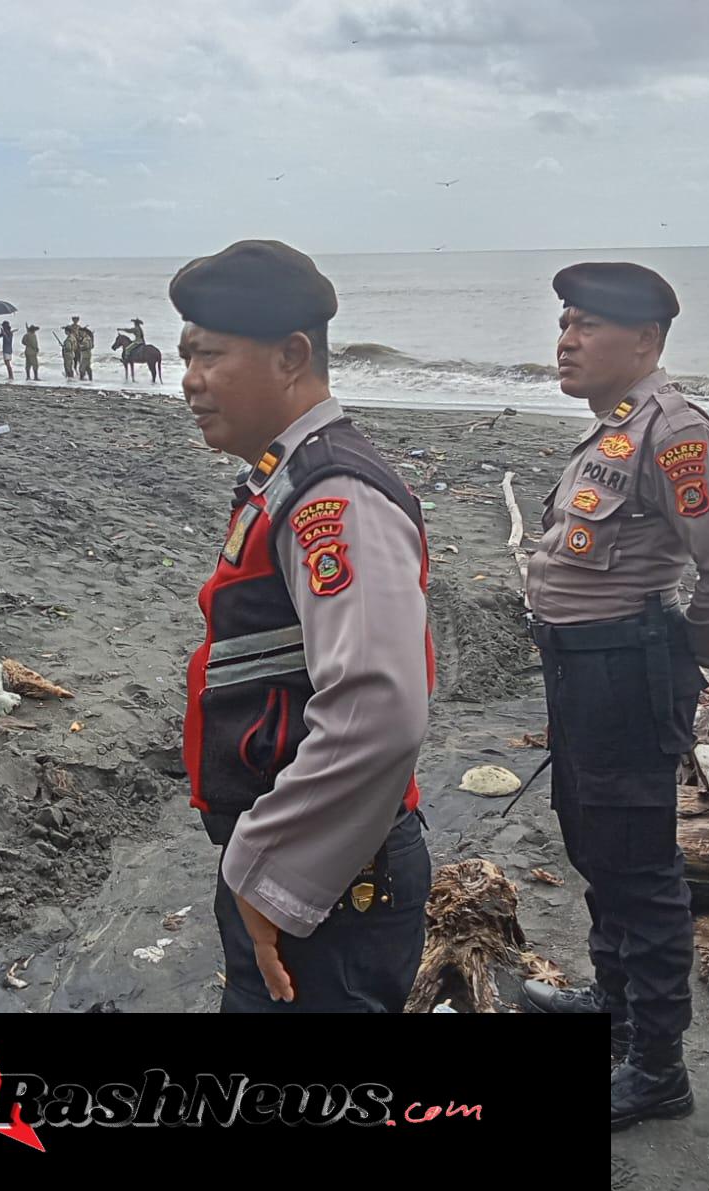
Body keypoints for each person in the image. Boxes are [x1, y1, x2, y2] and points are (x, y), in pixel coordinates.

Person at [520, 262, 709, 1130]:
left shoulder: (676, 430)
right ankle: (612, 1010)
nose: (566, 340)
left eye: (586, 325)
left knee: (641, 870)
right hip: (585, 669)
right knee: (594, 845)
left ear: (648, 341)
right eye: (563, 324)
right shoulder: (617, 428)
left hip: (626, 671)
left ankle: (657, 1066)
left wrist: (674, 660)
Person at [174, 239, 435, 1013]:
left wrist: (271, 873)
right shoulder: (287, 476)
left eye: (210, 354)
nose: (189, 379)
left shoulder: (333, 496)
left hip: (330, 872)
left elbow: (378, 712)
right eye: (185, 354)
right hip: (307, 855)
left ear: (292, 356)